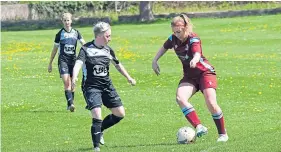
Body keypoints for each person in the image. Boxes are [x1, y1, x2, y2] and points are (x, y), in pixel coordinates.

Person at [152, 14, 228, 142]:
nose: (176, 34)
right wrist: (155, 60)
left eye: (179, 31)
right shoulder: (173, 38)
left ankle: (222, 134)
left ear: (185, 27)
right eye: (174, 32)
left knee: (211, 103)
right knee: (180, 98)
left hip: (205, 73)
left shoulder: (193, 38)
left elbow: (197, 52)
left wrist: (195, 59)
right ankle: (199, 127)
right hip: (190, 76)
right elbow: (164, 47)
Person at [71, 21, 136, 152]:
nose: (110, 38)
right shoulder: (86, 48)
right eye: (108, 36)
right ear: (99, 35)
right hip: (91, 86)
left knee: (120, 113)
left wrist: (128, 77)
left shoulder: (108, 50)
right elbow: (78, 63)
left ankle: (100, 130)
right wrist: (74, 76)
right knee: (96, 113)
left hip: (107, 85)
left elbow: (117, 64)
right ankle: (96, 148)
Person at [48, 13, 85, 112]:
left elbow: (84, 44)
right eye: (65, 20)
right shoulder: (60, 34)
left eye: (68, 20)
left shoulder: (76, 33)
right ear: (62, 21)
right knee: (67, 82)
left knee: (73, 83)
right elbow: (55, 49)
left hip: (73, 61)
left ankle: (69, 104)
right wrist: (50, 63)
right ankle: (71, 103)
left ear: (71, 21)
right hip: (63, 60)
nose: (67, 22)